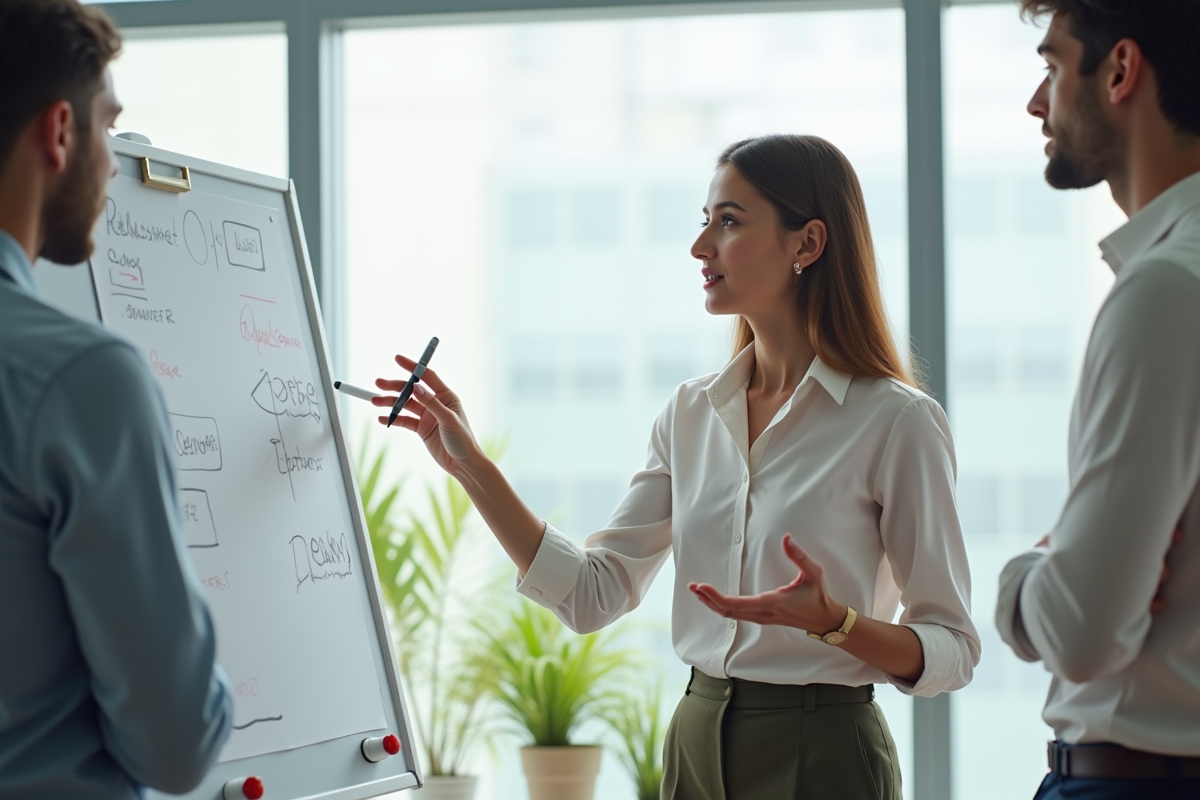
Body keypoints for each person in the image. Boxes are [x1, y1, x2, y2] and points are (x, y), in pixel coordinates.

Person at [376, 133, 980, 800]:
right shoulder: (691, 413)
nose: (700, 247)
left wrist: (835, 622)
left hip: (824, 750)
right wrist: (472, 469)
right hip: (695, 738)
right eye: (705, 221)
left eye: (729, 222)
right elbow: (592, 594)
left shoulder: (897, 421)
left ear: (807, 244)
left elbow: (951, 649)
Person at [0, 1, 233, 797]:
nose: (114, 164)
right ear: (60, 132)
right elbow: (176, 748)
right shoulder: (83, 381)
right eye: (109, 126)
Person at [994, 2, 1200, 799]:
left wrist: (1025, 579)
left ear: (1119, 71)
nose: (1035, 102)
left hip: (1134, 780)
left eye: (1052, 66)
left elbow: (1080, 631)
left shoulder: (1165, 289)